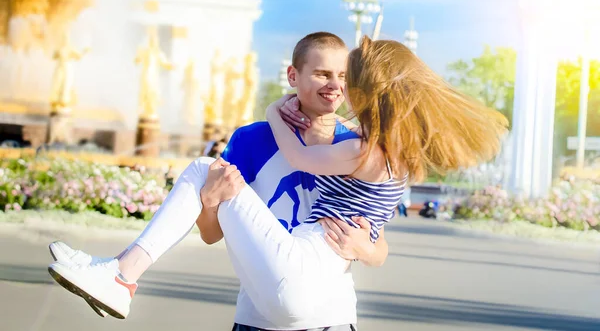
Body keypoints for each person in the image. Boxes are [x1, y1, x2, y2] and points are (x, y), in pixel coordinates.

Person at [48, 35, 507, 329]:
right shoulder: (255, 142)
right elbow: (211, 233)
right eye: (322, 73)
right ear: (294, 76)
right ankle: (118, 275)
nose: (335, 86)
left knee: (197, 168)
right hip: (263, 309)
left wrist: (364, 248)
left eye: (344, 77)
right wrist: (211, 202)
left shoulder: (355, 145)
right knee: (205, 176)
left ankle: (121, 275)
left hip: (324, 310)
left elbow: (377, 246)